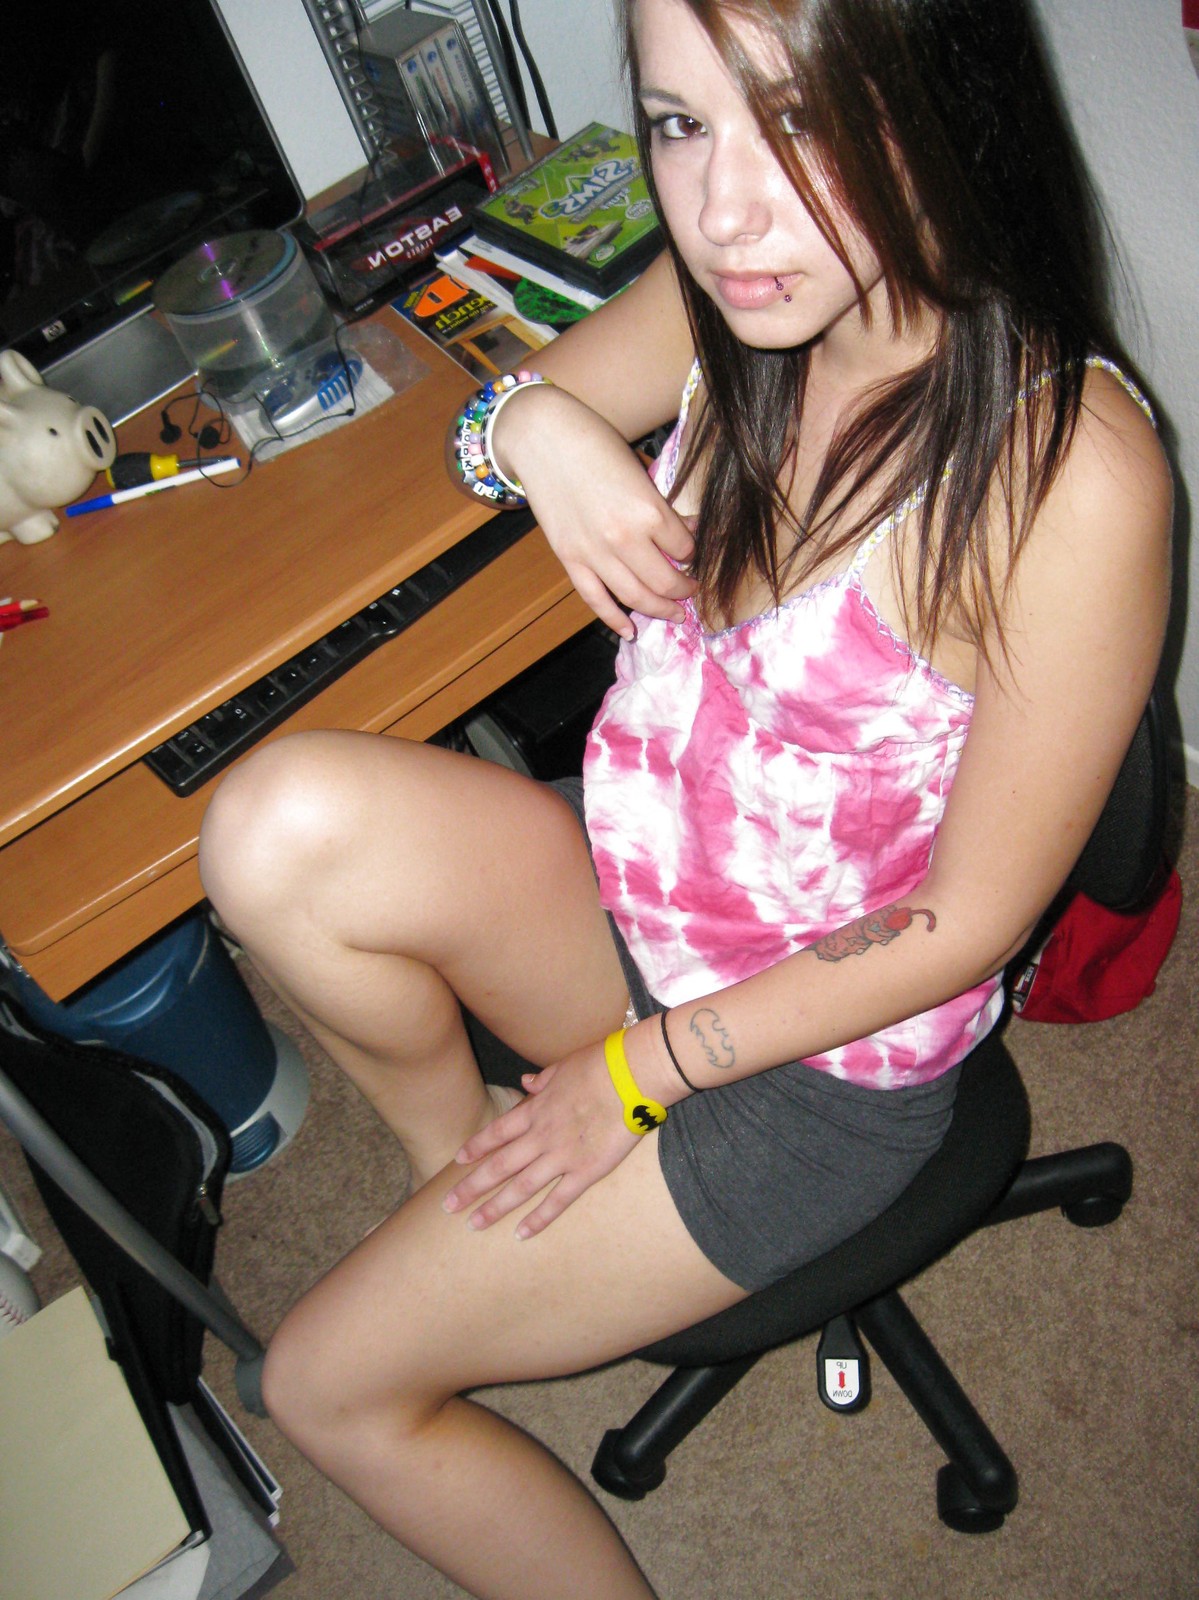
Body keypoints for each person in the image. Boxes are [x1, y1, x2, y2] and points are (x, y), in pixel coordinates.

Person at [197, 0, 1171, 1594]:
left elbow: (964, 924)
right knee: (268, 829)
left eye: (797, 123)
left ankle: (514, 1220)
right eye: (679, 123)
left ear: (944, 103)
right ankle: (472, 1183)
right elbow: (479, 432)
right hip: (644, 902)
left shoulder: (1067, 470)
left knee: (321, 1388)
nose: (724, 209)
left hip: (816, 1068)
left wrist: (631, 1078)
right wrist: (537, 425)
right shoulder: (735, 293)